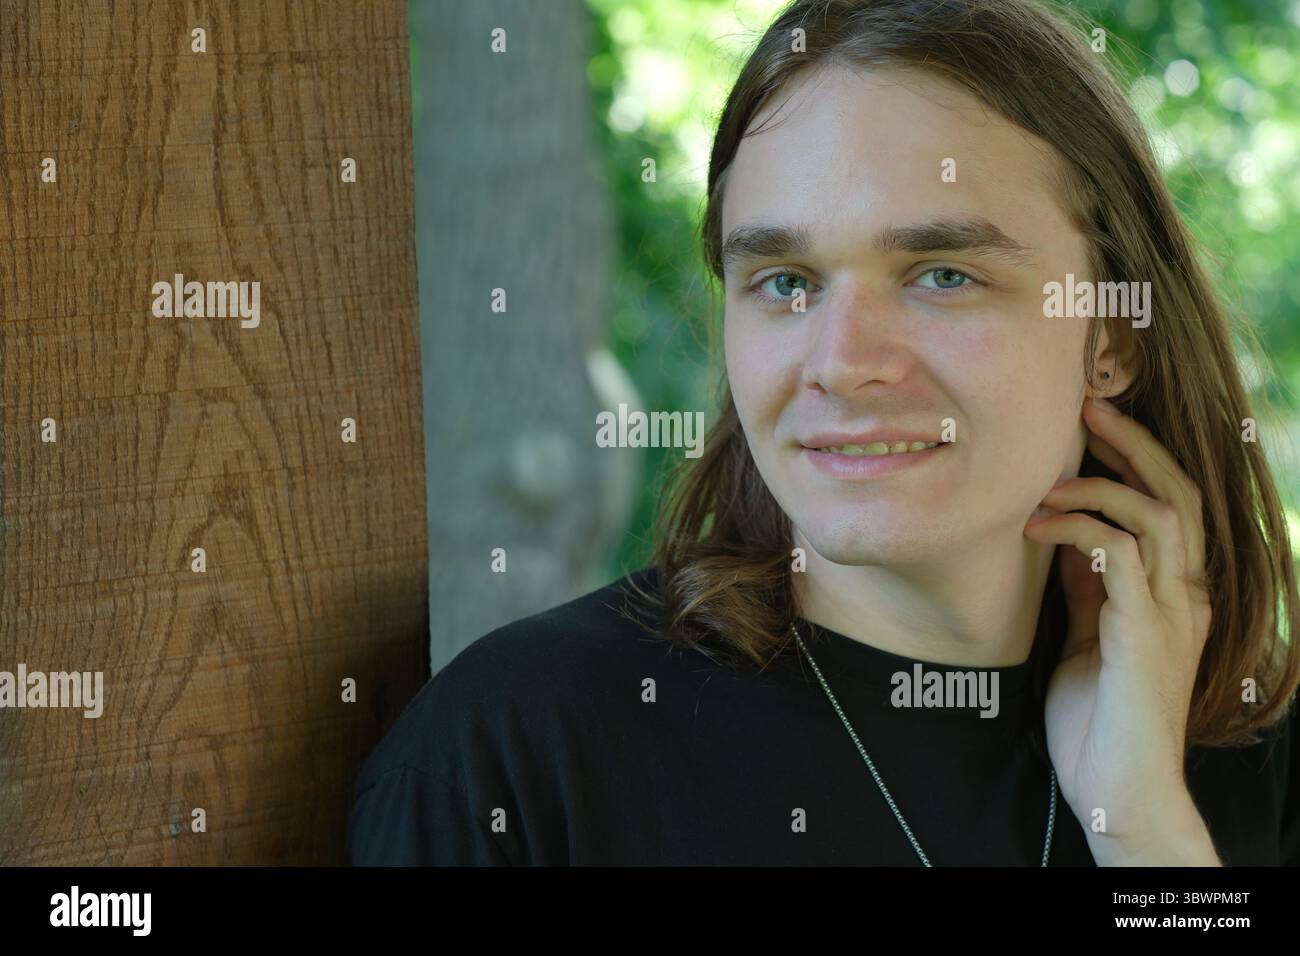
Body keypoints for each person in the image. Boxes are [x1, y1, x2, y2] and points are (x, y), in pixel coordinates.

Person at [347, 0, 1300, 865]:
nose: (843, 362)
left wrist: (1144, 836)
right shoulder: (516, 762)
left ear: (1112, 335)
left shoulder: (1246, 770)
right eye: (786, 282)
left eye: (942, 274)